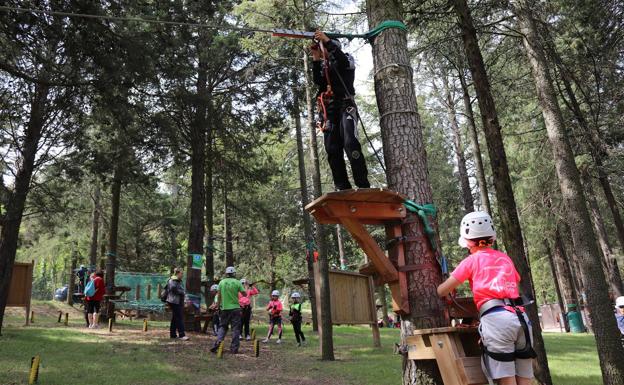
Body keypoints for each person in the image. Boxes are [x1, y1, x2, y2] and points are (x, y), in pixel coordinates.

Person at [437, 211, 535, 385]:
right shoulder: (505, 259)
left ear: (467, 242)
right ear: (492, 237)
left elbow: (442, 291)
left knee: (507, 379)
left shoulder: (471, 261)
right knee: (524, 376)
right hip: (521, 319)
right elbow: (515, 282)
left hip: (496, 320)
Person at [310, 30, 370, 191]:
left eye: (325, 51)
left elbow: (343, 62)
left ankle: (363, 184)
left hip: (346, 106)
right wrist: (316, 59)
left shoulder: (347, 58)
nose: (324, 55)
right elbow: (318, 81)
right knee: (332, 148)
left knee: (350, 143)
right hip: (329, 110)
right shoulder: (325, 66)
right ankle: (342, 187)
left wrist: (327, 42)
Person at [211, 266, 246, 354]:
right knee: (235, 329)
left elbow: (219, 296)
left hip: (224, 309)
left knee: (223, 326)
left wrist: (218, 306)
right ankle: (234, 349)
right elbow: (244, 294)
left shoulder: (221, 282)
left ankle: (218, 342)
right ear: (234, 274)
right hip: (235, 309)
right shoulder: (237, 282)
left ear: (226, 274)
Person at [166, 268, 189, 341]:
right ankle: (182, 335)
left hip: (177, 301)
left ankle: (172, 334)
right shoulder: (173, 280)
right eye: (181, 273)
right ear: (177, 273)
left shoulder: (177, 281)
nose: (182, 275)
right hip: (174, 302)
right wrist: (182, 292)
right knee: (179, 318)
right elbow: (173, 288)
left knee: (175, 318)